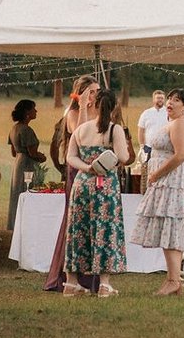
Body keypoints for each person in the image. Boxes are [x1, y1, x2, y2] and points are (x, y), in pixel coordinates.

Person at [63, 87, 131, 297]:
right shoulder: (115, 130)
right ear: (113, 107)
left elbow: (70, 157)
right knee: (104, 230)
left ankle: (71, 283)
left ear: (94, 105)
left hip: (82, 184)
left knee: (78, 230)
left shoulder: (82, 129)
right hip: (105, 186)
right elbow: (123, 157)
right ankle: (104, 284)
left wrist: (87, 168)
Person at [134, 88, 184, 296]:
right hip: (166, 181)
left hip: (172, 181)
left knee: (172, 227)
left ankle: (174, 279)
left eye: (177, 100)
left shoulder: (181, 123)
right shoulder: (171, 122)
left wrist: (157, 174)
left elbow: (181, 155)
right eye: (170, 98)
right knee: (166, 227)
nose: (170, 102)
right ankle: (173, 279)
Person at [44, 74, 100, 294]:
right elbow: (82, 135)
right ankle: (66, 277)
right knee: (75, 220)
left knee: (93, 220)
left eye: (97, 91)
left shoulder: (100, 112)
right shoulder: (73, 113)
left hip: (96, 171)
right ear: (81, 93)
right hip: (76, 170)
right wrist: (83, 105)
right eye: (92, 91)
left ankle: (91, 278)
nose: (95, 95)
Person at [7, 99, 44, 239]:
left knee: (17, 193)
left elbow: (13, 152)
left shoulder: (14, 128)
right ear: (27, 113)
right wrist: (42, 157)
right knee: (27, 191)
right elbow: (33, 153)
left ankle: (15, 223)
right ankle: (27, 224)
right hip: (27, 165)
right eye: (34, 109)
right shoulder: (27, 130)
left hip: (18, 164)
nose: (36, 111)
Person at [135, 89, 169, 173]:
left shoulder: (168, 113)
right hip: (148, 147)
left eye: (161, 98)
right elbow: (141, 130)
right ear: (153, 99)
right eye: (158, 98)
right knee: (146, 169)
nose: (160, 100)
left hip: (163, 148)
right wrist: (142, 146)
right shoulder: (146, 113)